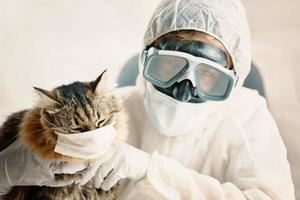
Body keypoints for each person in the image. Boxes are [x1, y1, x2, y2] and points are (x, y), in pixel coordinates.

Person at [0, 0, 295, 199]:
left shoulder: (248, 115)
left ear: (233, 75)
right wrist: (7, 170)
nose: (184, 89)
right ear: (146, 59)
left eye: (208, 75)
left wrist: (151, 171)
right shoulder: (117, 109)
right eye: (170, 65)